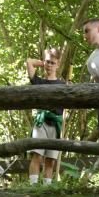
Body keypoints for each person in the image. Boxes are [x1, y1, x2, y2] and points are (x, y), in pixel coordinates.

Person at [27, 48, 66, 185]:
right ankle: (33, 187)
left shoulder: (63, 85)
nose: (49, 65)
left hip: (55, 124)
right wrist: (42, 62)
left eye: (52, 63)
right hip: (41, 123)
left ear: (58, 64)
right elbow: (29, 62)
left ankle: (46, 189)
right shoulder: (39, 82)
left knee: (50, 160)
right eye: (47, 62)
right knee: (37, 155)